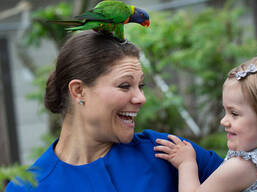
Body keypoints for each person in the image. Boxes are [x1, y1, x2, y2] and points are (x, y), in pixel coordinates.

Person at [5, 31, 223, 191]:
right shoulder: (27, 187)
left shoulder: (168, 153)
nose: (141, 98)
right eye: (125, 85)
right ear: (79, 91)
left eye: (141, 86)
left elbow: (253, 177)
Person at [154, 55, 257, 192]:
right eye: (225, 112)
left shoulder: (243, 166)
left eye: (234, 114)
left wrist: (186, 163)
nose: (224, 121)